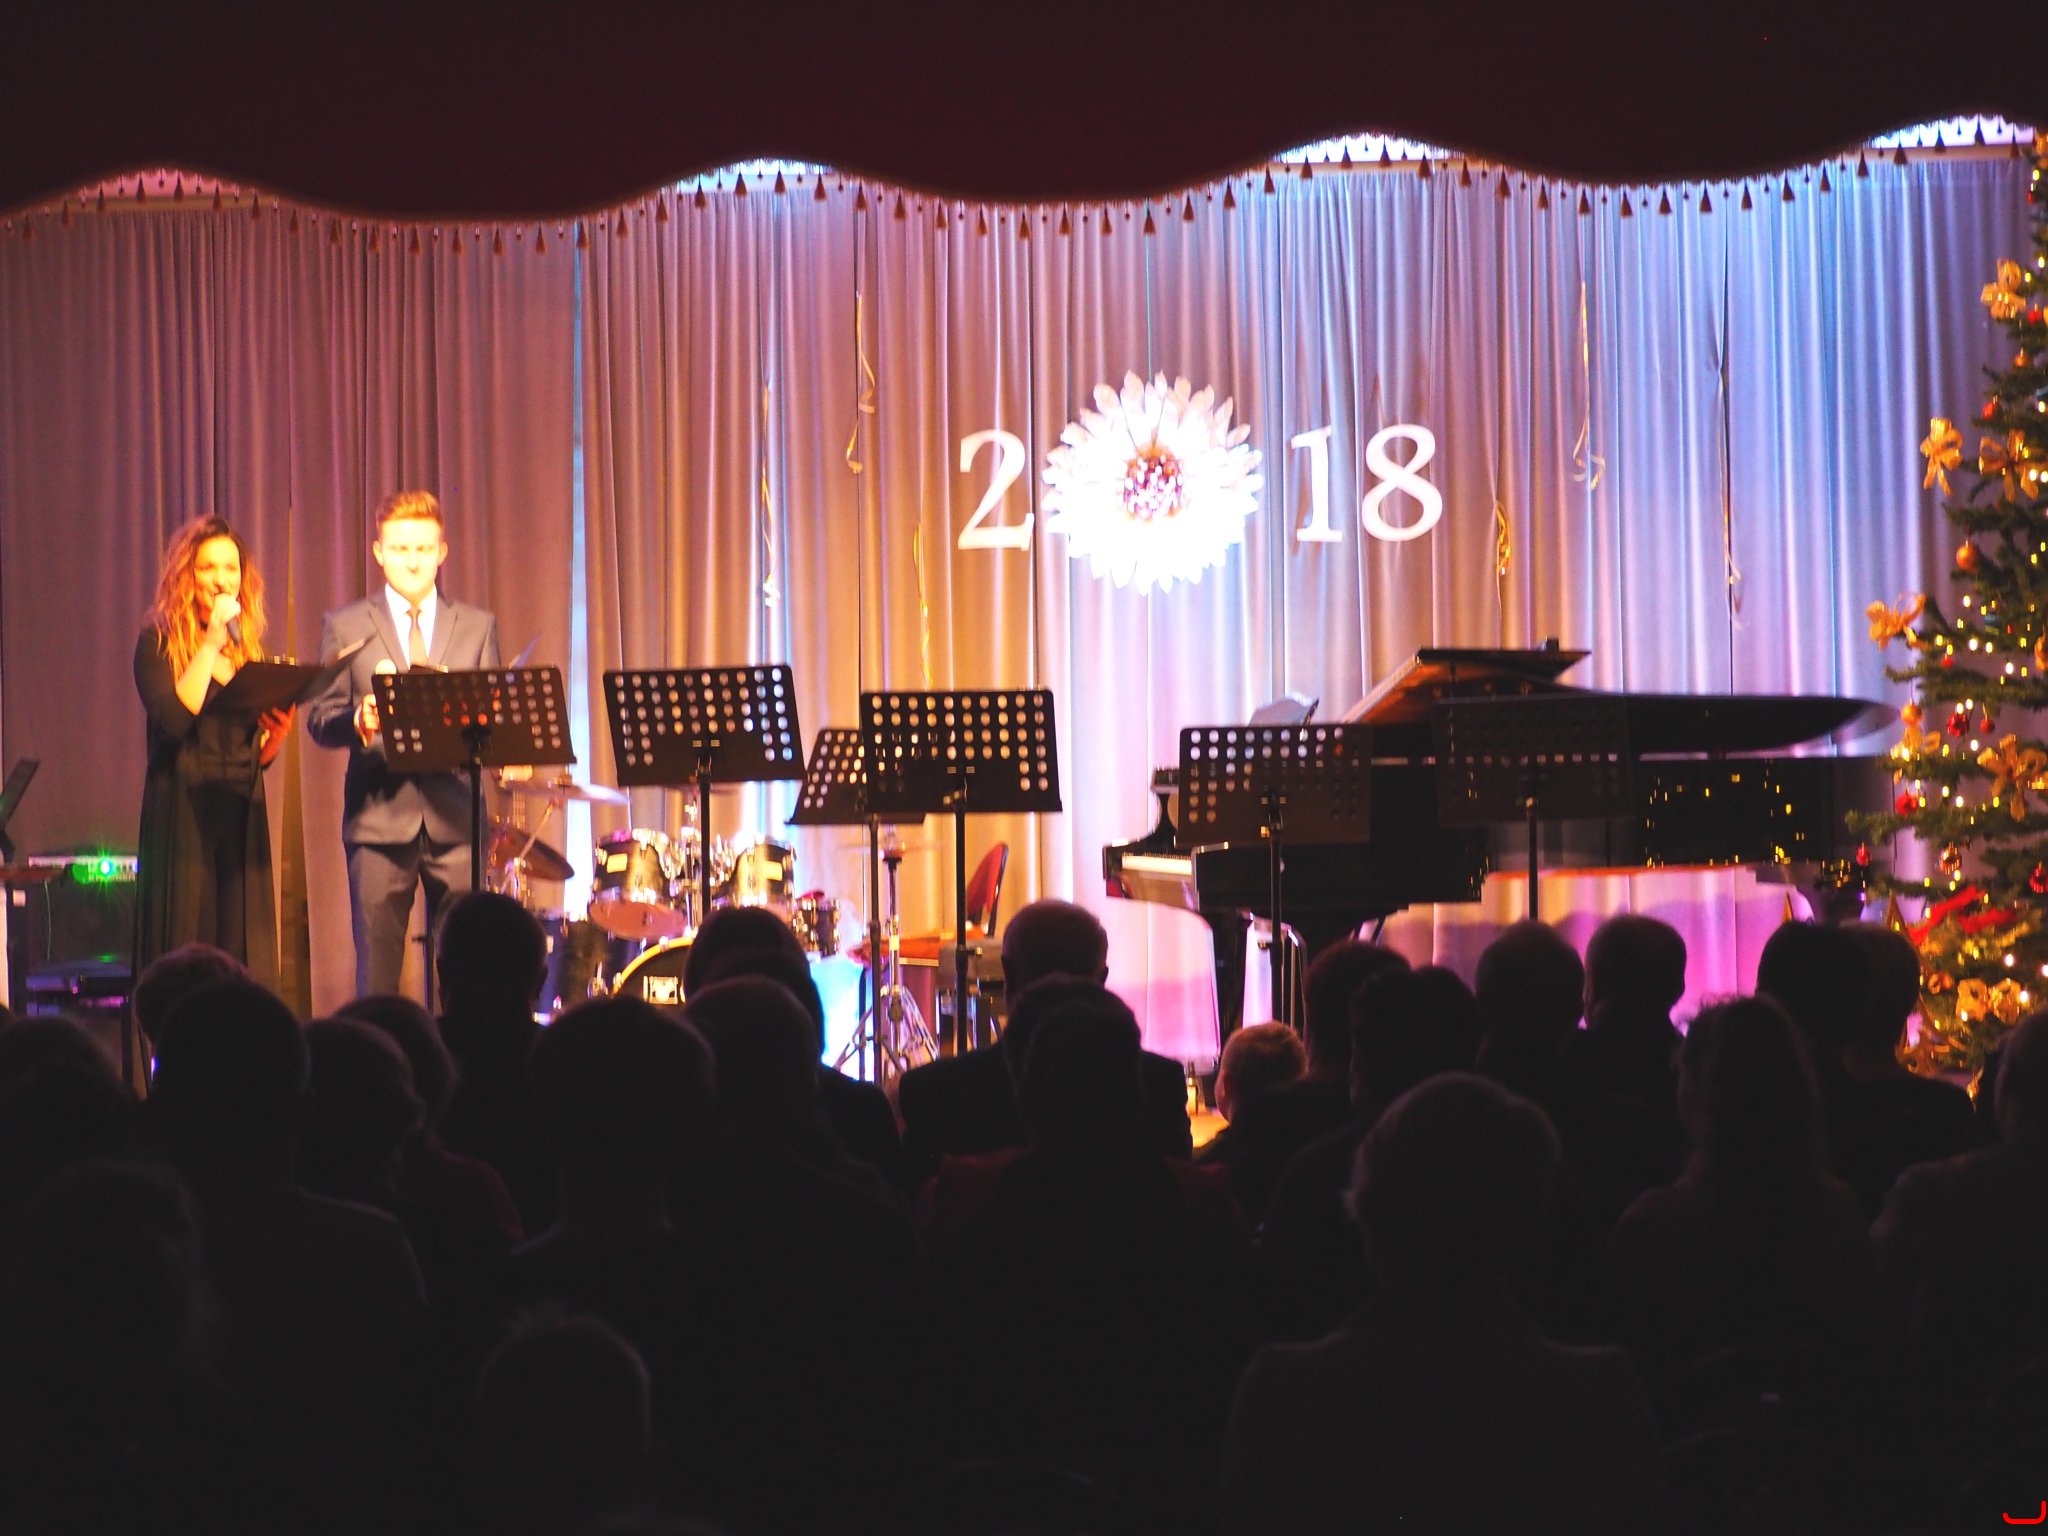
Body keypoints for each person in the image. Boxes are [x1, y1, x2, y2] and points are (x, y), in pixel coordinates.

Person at [306, 491, 501, 996]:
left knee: (469, 977)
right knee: (377, 976)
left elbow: (496, 721)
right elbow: (321, 718)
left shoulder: (477, 626)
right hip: (378, 820)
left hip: (457, 821)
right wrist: (358, 719)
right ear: (379, 552)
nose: (412, 561)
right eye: (399, 549)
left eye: (423, 549)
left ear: (442, 552)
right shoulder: (345, 625)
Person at [133, 516, 294, 986]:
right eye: (208, 568)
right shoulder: (158, 643)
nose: (222, 579)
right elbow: (173, 722)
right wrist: (208, 646)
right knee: (188, 948)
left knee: (241, 950)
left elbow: (252, 752)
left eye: (231, 568)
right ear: (187, 576)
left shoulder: (249, 651)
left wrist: (276, 737)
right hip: (184, 815)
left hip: (239, 814)